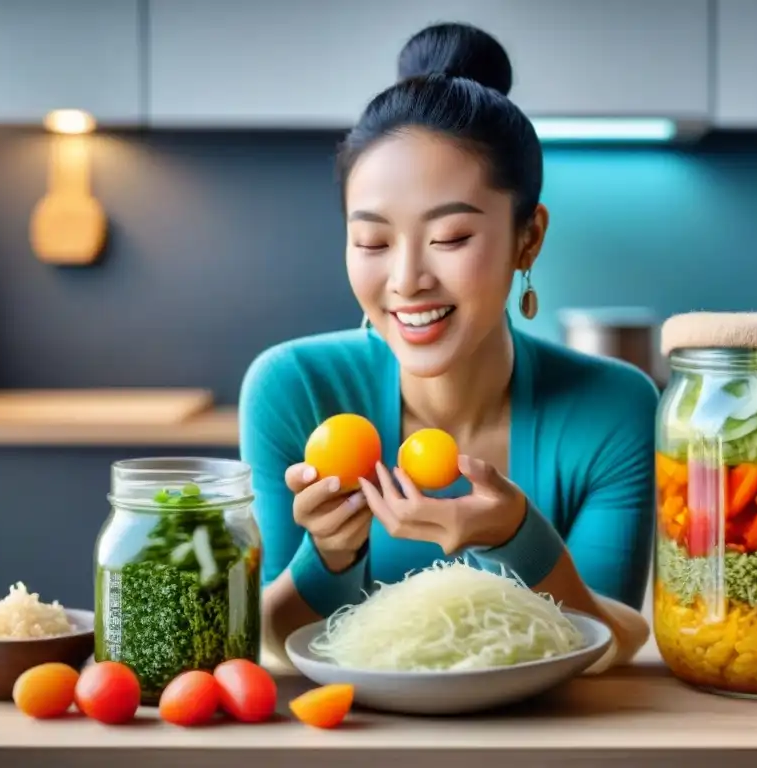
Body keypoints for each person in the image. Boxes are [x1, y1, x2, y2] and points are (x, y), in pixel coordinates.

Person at [238, 22, 658, 669]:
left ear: (529, 237)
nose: (406, 280)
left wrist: (519, 536)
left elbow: (607, 646)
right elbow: (271, 642)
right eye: (374, 242)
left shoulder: (614, 406)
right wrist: (329, 555)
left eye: (452, 237)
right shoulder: (292, 388)